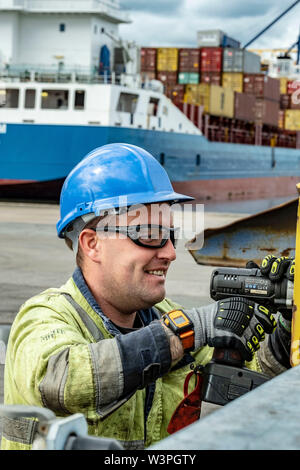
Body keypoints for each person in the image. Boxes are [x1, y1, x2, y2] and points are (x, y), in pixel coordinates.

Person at [1, 144, 293, 450]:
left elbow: (250, 379)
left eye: (171, 237)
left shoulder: (165, 316)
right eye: (150, 235)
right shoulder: (44, 316)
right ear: (92, 244)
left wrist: (285, 326)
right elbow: (61, 381)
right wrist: (190, 330)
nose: (169, 253)